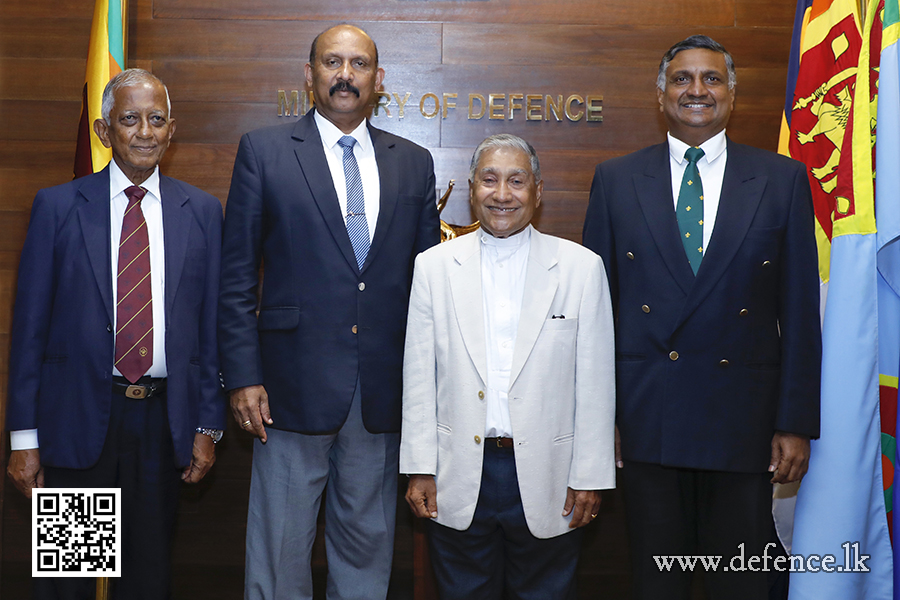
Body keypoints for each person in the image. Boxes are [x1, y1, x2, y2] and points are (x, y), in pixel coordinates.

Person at [582, 35, 822, 600]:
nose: (697, 90)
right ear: (660, 93)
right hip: (646, 418)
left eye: (711, 79)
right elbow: (596, 315)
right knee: (657, 584)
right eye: (682, 78)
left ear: (732, 93)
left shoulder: (781, 179)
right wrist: (600, 419)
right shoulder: (616, 179)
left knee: (737, 586)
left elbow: (800, 313)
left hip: (744, 422)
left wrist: (794, 422)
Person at [218, 23, 440, 600]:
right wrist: (243, 376)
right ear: (309, 74)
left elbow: (427, 289)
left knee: (367, 545)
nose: (345, 75)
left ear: (379, 79)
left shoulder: (413, 163)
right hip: (287, 388)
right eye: (332, 62)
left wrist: (423, 390)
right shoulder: (263, 151)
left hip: (379, 390)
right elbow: (237, 276)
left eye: (359, 64)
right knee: (279, 547)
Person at [5, 68, 225, 600]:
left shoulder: (201, 212)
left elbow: (212, 329)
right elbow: (28, 331)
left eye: (156, 119)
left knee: (145, 581)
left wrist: (208, 426)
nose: (144, 131)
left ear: (172, 129)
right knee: (69, 585)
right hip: (80, 422)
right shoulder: (58, 208)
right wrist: (23, 438)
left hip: (161, 424)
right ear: (104, 131)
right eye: (129, 119)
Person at [401, 134, 616, 599]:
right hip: (458, 474)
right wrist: (420, 467)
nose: (502, 195)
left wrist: (591, 475)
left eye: (516, 181)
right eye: (489, 180)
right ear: (472, 189)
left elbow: (597, 384)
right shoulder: (433, 267)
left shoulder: (581, 268)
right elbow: (419, 378)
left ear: (538, 192)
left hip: (551, 476)